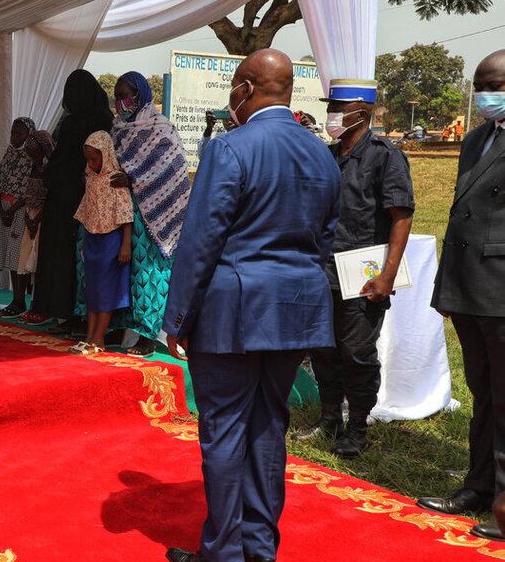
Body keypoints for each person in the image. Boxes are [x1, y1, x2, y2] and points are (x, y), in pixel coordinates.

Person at [162, 49, 340, 562]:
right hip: (295, 311)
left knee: (224, 432)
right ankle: (260, 549)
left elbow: (201, 240)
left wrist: (178, 317)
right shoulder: (321, 154)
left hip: (232, 313)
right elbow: (327, 237)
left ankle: (223, 552)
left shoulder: (229, 148)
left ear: (243, 88)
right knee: (268, 428)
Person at [297, 80, 414, 458]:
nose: (331, 114)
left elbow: (401, 217)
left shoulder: (385, 157)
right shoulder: (328, 155)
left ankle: (358, 427)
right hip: (323, 271)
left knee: (357, 352)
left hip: (362, 275)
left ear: (360, 113)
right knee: (323, 349)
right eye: (330, 106)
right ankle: (330, 417)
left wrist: (388, 275)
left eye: (338, 108)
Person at [418, 49, 505, 541]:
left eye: (494, 85)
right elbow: (460, 217)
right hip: (470, 288)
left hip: (502, 290)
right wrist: (447, 288)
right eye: (480, 86)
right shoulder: (476, 139)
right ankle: (478, 486)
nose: (484, 95)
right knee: (484, 394)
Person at [20, 70, 113, 327]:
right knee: (52, 250)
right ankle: (48, 306)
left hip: (84, 195)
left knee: (71, 255)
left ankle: (71, 312)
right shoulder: (70, 120)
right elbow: (60, 153)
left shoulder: (101, 120)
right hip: (60, 194)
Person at [108, 72, 190, 357]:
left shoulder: (161, 128)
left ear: (140, 94)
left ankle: (147, 334)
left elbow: (172, 171)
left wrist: (134, 180)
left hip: (155, 214)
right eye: (117, 96)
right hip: (123, 211)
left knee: (148, 272)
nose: (120, 102)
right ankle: (119, 327)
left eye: (125, 95)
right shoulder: (118, 129)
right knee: (122, 271)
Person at [68, 131, 132, 355]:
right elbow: (86, 211)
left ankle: (99, 339)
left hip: (110, 241)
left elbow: (126, 215)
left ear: (105, 154)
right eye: (88, 160)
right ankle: (89, 337)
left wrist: (125, 245)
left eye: (94, 159)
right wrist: (85, 242)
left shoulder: (116, 179)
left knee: (106, 290)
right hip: (92, 239)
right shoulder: (91, 179)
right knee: (92, 290)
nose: (91, 164)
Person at [0, 116, 36, 317]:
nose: (14, 137)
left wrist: (13, 208)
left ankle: (20, 300)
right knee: (9, 254)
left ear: (29, 135)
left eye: (19, 133)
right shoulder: (9, 153)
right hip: (6, 209)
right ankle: (14, 299)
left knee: (18, 258)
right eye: (12, 133)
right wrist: (1, 208)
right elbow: (0, 182)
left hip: (20, 211)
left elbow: (29, 189)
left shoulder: (31, 157)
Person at [17, 129, 54, 284]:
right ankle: (19, 297)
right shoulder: (31, 168)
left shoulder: (50, 171)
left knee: (38, 258)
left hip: (43, 218)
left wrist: (36, 219)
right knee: (24, 258)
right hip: (29, 216)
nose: (33, 159)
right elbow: (27, 195)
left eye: (35, 155)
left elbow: (50, 198)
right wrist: (28, 218)